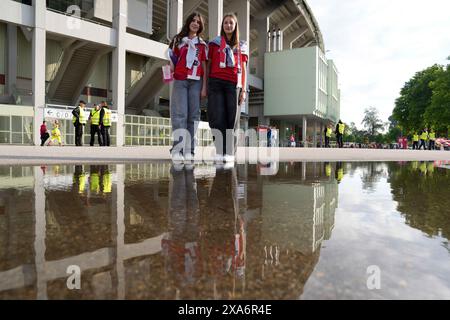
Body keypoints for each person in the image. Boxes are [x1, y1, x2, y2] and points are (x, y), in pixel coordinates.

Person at [207, 13, 249, 163]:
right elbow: (209, 64)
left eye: (231, 23)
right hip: (216, 83)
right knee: (217, 118)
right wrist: (206, 86)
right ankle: (220, 151)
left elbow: (244, 70)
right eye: (226, 23)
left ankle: (230, 153)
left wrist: (243, 90)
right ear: (222, 25)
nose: (228, 25)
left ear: (235, 25)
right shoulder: (214, 43)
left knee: (232, 120)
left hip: (234, 85)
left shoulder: (242, 45)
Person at [168, 12, 208, 163]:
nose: (195, 23)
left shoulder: (203, 44)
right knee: (180, 116)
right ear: (188, 22)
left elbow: (204, 66)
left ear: (201, 26)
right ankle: (177, 149)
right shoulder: (178, 40)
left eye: (198, 21)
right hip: (180, 80)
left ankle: (190, 150)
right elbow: (172, 60)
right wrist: (169, 68)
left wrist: (204, 87)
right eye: (193, 20)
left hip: (196, 82)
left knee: (193, 116)